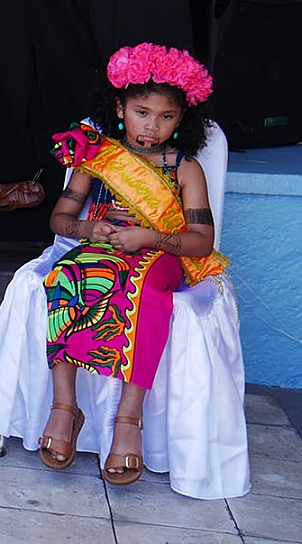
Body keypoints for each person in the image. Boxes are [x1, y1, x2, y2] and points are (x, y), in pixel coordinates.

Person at [37, 43, 220, 485]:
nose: (152, 126)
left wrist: (150, 237)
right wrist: (89, 230)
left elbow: (202, 242)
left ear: (182, 119)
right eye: (141, 112)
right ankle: (65, 407)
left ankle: (128, 419)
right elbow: (60, 219)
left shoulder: (185, 168)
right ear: (120, 108)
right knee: (66, 276)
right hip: (101, 249)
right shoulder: (97, 156)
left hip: (161, 255)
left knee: (142, 288)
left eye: (166, 117)